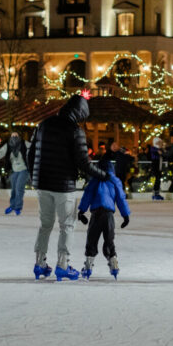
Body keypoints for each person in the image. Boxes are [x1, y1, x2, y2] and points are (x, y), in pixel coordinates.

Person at [27, 94, 108, 281]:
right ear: (79, 113)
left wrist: (34, 176)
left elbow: (30, 154)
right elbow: (83, 163)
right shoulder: (75, 131)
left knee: (45, 225)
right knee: (67, 225)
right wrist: (104, 175)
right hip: (64, 186)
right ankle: (63, 264)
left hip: (42, 185)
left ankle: (39, 263)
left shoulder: (43, 124)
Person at [77, 156, 131, 280]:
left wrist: (82, 211)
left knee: (92, 240)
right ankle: (114, 264)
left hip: (96, 214)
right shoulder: (115, 180)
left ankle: (88, 266)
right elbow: (121, 199)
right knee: (109, 241)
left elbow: (87, 195)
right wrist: (125, 215)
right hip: (108, 215)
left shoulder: (94, 180)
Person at [0, 131, 30, 214]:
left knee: (19, 188)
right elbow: (0, 153)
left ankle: (18, 207)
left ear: (19, 136)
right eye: (12, 136)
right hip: (14, 170)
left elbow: (34, 148)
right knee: (13, 190)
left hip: (24, 170)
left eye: (16, 136)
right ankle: (12, 205)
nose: (14, 137)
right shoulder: (8, 146)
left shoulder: (24, 143)